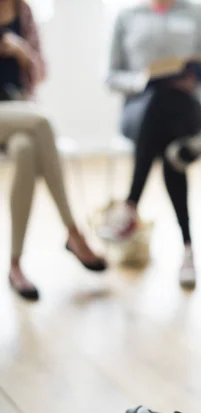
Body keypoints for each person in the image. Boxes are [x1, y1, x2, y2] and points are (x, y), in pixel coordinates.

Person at [0, 0, 106, 301]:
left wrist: (23, 52)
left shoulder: (23, 12)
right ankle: (73, 231)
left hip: (18, 111)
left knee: (25, 150)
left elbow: (41, 72)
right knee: (43, 122)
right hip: (20, 117)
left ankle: (15, 264)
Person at [103, 0, 201, 288]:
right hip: (138, 109)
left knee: (167, 108)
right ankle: (188, 249)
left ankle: (130, 205)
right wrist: (140, 80)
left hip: (186, 106)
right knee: (171, 149)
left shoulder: (198, 12)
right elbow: (111, 76)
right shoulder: (126, 17)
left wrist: (195, 77)